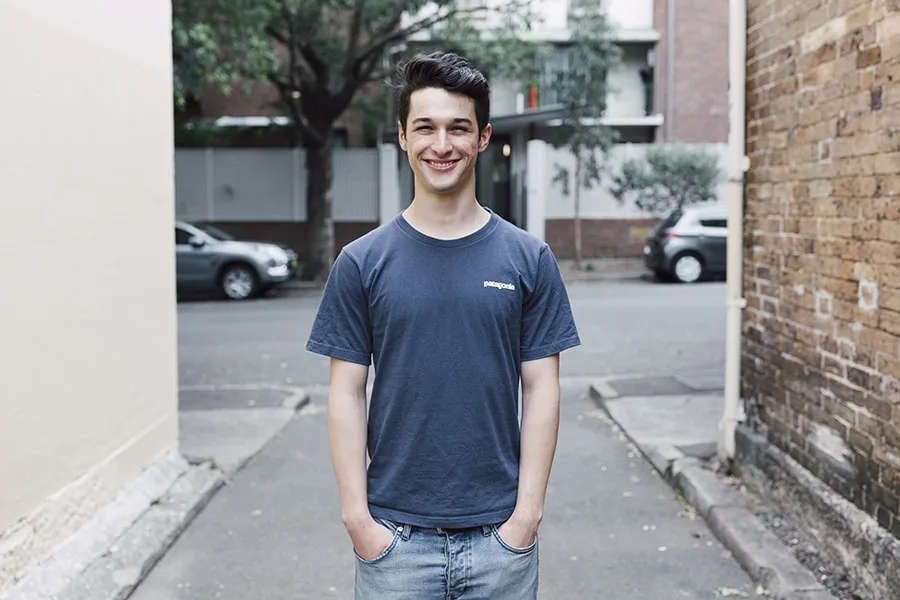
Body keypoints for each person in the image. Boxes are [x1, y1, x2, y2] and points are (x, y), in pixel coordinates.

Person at [306, 51, 580, 599]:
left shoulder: (528, 259)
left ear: (482, 137)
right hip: (394, 541)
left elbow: (542, 387)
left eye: (459, 128)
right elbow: (346, 392)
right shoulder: (361, 262)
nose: (442, 145)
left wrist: (526, 516)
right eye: (425, 128)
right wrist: (358, 520)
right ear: (403, 137)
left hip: (500, 540)